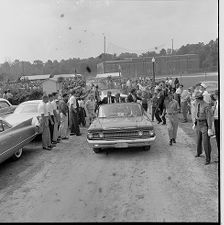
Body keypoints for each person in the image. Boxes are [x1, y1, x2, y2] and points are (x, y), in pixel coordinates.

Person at [193, 91, 213, 165]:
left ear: (199, 99)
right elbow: (196, 114)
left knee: (206, 143)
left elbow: (209, 117)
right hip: (198, 123)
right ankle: (199, 152)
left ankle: (208, 159)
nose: (195, 100)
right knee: (198, 140)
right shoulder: (197, 104)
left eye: (196, 98)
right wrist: (195, 123)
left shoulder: (206, 106)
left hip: (204, 124)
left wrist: (210, 128)